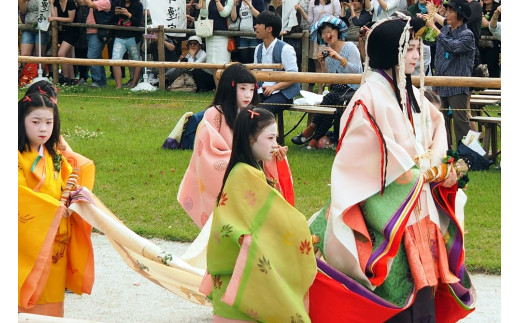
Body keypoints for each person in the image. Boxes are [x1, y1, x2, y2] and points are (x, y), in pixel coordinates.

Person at [308, 14, 475, 322]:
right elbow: (364, 154)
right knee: (390, 287)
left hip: (414, 198)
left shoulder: (405, 90)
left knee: (422, 286)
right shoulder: (369, 95)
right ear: (390, 51)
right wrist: (420, 174)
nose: (416, 55)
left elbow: (433, 126)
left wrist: (439, 165)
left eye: (417, 48)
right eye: (409, 48)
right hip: (386, 200)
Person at [203, 107, 317, 322]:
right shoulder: (244, 174)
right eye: (271, 138)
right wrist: (301, 228)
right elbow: (275, 214)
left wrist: (276, 162)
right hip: (238, 277)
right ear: (249, 140)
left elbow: (272, 205)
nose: (276, 144)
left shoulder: (246, 170)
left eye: (276, 138)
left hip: (235, 276)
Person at [177, 63, 294, 229]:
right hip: (229, 172)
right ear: (229, 88)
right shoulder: (214, 114)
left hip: (248, 172)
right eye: (242, 89)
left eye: (251, 90)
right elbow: (207, 153)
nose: (248, 95)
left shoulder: (252, 116)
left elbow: (256, 145)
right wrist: (240, 161)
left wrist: (274, 152)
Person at [18, 92, 95, 317]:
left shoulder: (55, 156)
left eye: (49, 122)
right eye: (35, 122)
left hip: (56, 237)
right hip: (28, 238)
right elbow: (17, 193)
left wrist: (76, 195)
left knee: (52, 299)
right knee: (26, 293)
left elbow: (68, 184)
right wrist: (53, 208)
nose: (43, 128)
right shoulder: (15, 156)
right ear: (21, 122)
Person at [292, 15, 362, 149]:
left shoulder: (350, 47)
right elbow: (328, 80)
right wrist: (323, 64)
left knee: (331, 98)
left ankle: (310, 130)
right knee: (333, 104)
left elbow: (357, 71)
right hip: (338, 91)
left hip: (353, 89)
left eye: (330, 31)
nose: (327, 35)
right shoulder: (327, 54)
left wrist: (339, 58)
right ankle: (313, 141)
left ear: (337, 32)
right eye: (323, 33)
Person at [426, 0, 475, 148]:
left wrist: (434, 28)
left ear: (460, 15)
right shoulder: (446, 30)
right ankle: (445, 152)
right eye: (446, 10)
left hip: (458, 86)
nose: (446, 14)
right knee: (440, 121)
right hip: (441, 84)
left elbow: (452, 46)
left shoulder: (468, 34)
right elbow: (435, 41)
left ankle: (469, 155)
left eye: (450, 11)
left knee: (461, 122)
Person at [253, 11, 301, 115]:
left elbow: (294, 76)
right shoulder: (258, 49)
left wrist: (274, 87)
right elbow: (256, 73)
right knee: (243, 106)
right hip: (262, 90)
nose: (255, 27)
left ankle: (268, 131)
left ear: (269, 29)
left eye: (259, 24)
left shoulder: (286, 49)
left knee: (264, 111)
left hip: (284, 93)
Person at [77, 0, 115, 88]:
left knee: (92, 56)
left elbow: (90, 4)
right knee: (97, 57)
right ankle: (102, 81)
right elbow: (81, 3)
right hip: (91, 33)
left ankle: (97, 81)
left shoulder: (105, 2)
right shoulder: (95, 1)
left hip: (97, 33)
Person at [306, 0, 341, 94]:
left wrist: (326, 21)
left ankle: (328, 89)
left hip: (330, 36)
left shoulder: (335, 2)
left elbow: (337, 19)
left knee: (329, 62)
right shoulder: (312, 2)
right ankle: (320, 90)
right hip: (317, 35)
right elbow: (310, 20)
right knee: (318, 63)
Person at [198, 0, 234, 86]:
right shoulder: (209, 1)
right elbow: (203, 14)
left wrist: (217, 1)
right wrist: (203, 2)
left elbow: (224, 13)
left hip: (223, 36)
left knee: (222, 63)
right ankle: (218, 88)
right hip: (210, 35)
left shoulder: (229, 1)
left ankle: (224, 88)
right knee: (213, 64)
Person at [111, 0, 144, 89]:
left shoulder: (138, 5)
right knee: (115, 60)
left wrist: (128, 14)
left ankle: (134, 84)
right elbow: (111, 20)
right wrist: (115, 14)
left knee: (137, 60)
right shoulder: (118, 3)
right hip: (119, 36)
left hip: (133, 37)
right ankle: (119, 85)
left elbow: (137, 22)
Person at [49, 0, 79, 85]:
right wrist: (51, 4)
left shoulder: (70, 3)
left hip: (72, 31)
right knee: (67, 55)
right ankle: (72, 78)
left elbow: (70, 19)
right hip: (63, 31)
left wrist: (54, 18)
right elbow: (54, 16)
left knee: (61, 53)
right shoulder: (56, 3)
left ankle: (65, 78)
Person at [479, 0, 500, 77]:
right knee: (480, 69)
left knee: (492, 68)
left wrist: (479, 11)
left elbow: (488, 25)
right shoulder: (480, 6)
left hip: (494, 44)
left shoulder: (498, 8)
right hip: (479, 43)